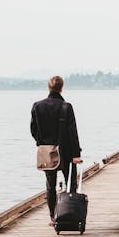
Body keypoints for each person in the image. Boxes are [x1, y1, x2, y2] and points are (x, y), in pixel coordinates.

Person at [30, 75, 82, 224]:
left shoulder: (37, 106)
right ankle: (69, 214)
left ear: (48, 88)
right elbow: (72, 132)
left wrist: (42, 143)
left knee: (50, 185)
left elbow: (33, 130)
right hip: (66, 151)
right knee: (70, 182)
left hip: (46, 151)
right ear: (61, 88)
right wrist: (76, 155)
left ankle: (53, 217)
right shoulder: (66, 106)